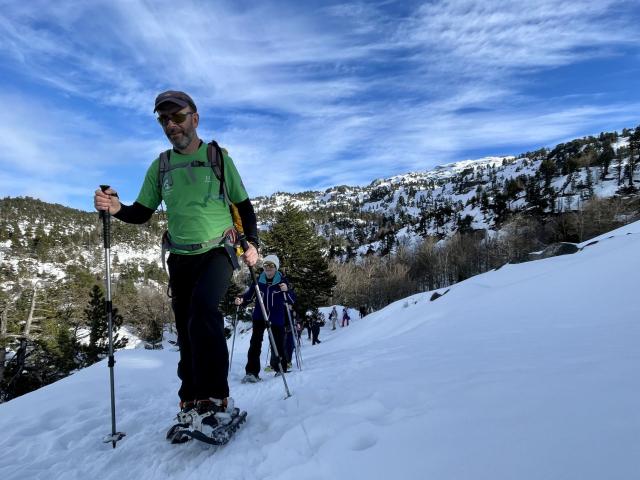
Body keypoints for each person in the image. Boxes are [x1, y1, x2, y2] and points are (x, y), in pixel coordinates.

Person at [94, 90, 259, 433]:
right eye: (163, 119)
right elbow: (141, 213)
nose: (171, 125)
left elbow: (244, 206)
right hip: (180, 256)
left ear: (194, 119)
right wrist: (117, 208)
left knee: (203, 311)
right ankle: (191, 398)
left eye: (177, 117)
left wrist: (252, 243)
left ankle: (215, 397)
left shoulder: (218, 158)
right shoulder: (161, 166)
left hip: (218, 250)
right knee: (185, 326)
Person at [235, 255, 296, 382]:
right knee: (255, 344)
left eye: (271, 266)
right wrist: (241, 299)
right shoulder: (258, 281)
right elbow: (249, 296)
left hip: (276, 317)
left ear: (276, 267)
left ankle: (280, 369)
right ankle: (252, 372)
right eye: (266, 266)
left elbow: (291, 299)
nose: (268, 269)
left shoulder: (282, 281)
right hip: (259, 316)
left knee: (278, 344)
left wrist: (287, 290)